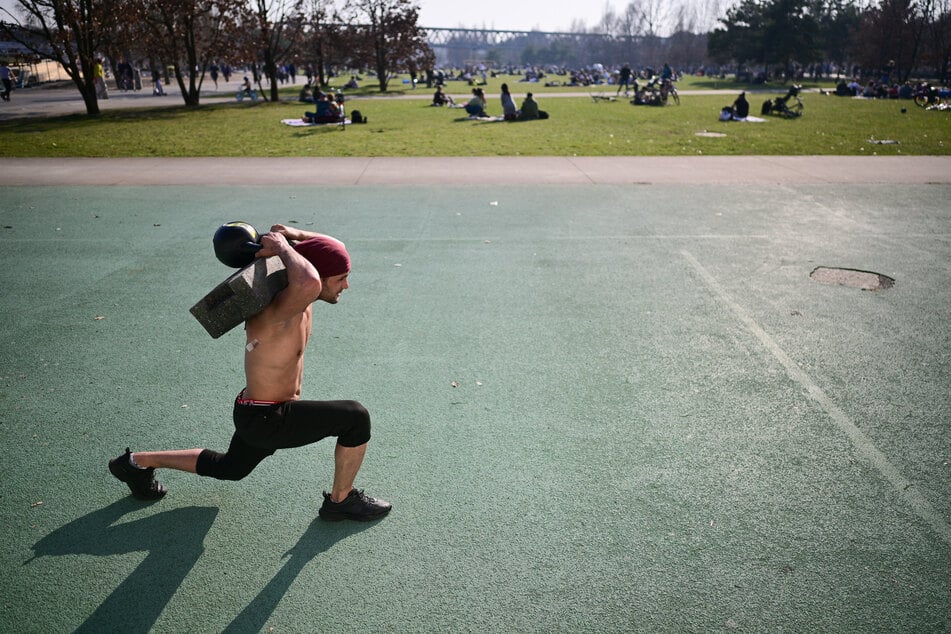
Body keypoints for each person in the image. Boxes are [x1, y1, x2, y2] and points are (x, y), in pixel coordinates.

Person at [109, 225, 392, 522]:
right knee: (355, 417)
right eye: (341, 279)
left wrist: (290, 233)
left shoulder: (298, 296)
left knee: (230, 468)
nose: (346, 286)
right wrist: (283, 247)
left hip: (257, 413)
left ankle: (135, 463)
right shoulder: (278, 309)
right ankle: (340, 501)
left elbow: (334, 245)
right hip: (268, 418)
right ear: (319, 275)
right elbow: (309, 279)